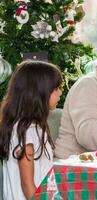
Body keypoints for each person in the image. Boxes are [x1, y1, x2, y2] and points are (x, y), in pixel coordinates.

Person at [0, 60, 63, 199]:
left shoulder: (32, 127)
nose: (60, 92)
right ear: (39, 92)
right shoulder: (26, 132)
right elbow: (28, 186)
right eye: (56, 88)